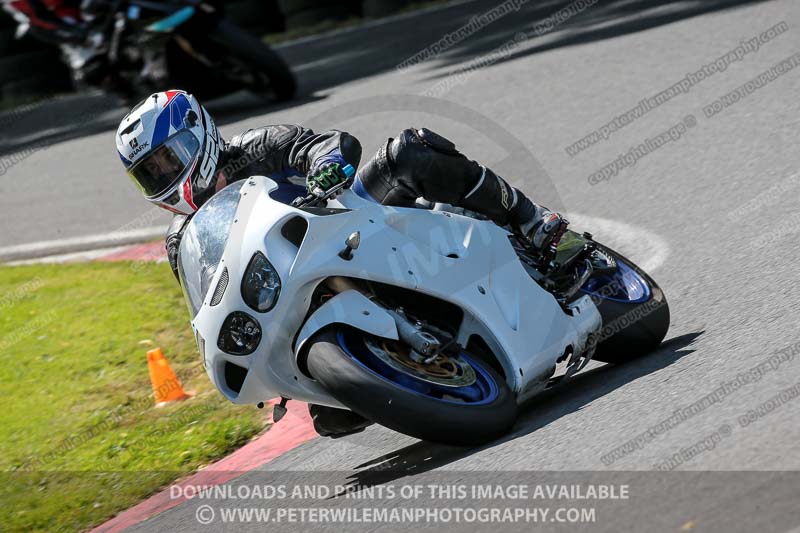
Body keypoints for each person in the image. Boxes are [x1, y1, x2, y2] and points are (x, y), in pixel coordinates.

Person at [115, 89, 566, 437]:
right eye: (150, 173)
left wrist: (327, 164)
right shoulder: (182, 241)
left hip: (354, 222)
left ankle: (531, 222)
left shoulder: (256, 147)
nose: (165, 176)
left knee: (410, 150)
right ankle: (364, 370)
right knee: (331, 418)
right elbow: (211, 298)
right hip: (296, 291)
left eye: (167, 159)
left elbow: (328, 143)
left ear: (200, 134)